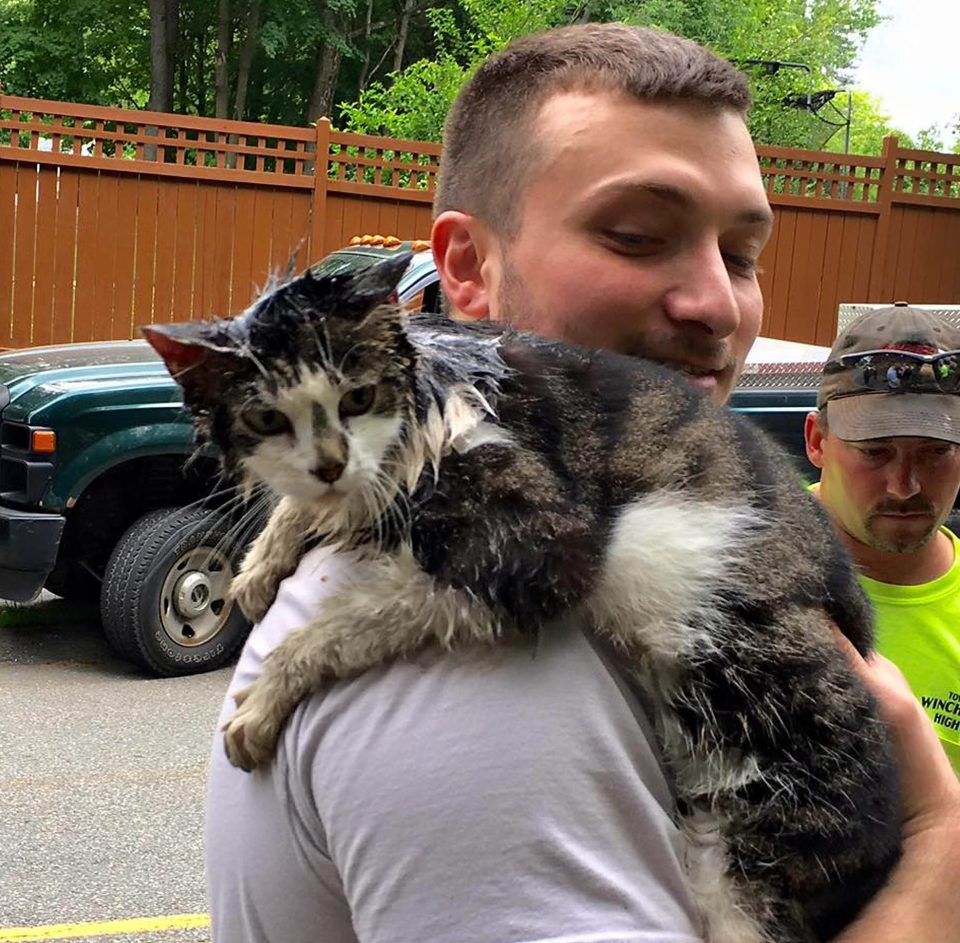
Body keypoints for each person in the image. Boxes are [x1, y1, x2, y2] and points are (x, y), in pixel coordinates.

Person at [206, 24, 960, 943]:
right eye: (637, 236)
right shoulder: (483, 687)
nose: (718, 304)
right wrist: (938, 852)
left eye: (743, 255)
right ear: (468, 268)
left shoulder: (466, 493)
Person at [805, 303, 960, 774]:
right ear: (816, 442)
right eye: (875, 452)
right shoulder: (733, 562)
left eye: (936, 452)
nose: (905, 485)